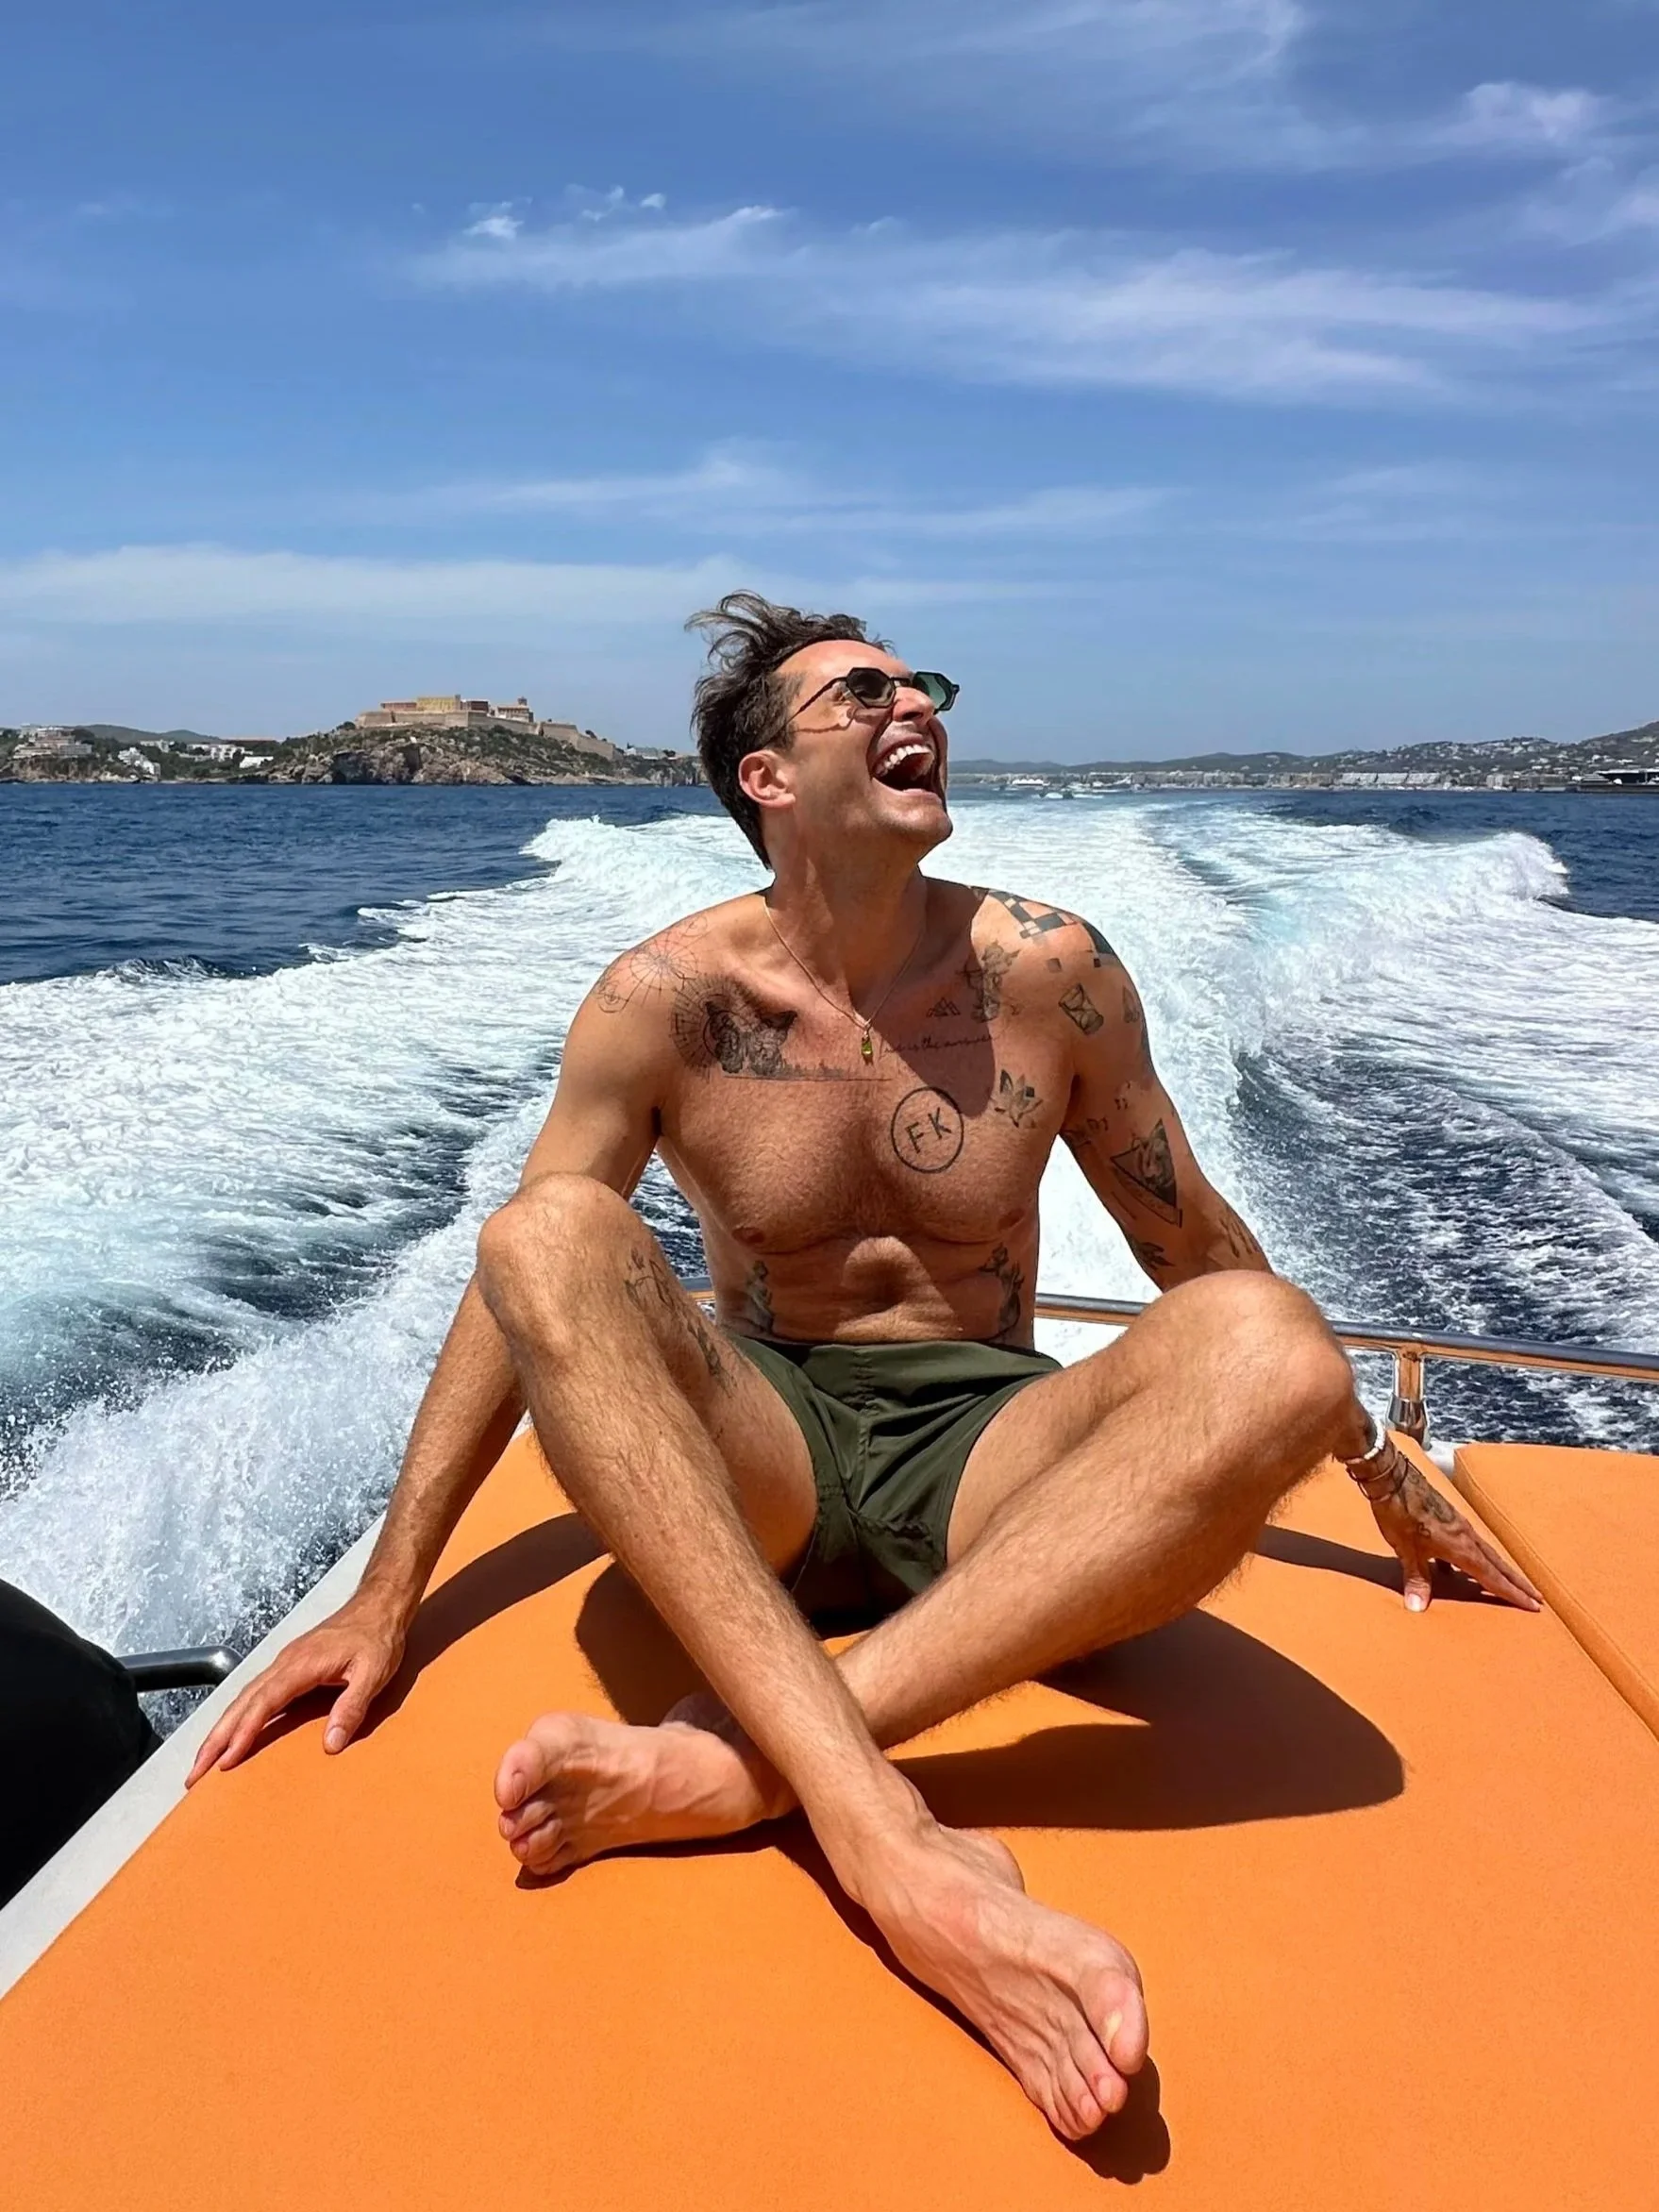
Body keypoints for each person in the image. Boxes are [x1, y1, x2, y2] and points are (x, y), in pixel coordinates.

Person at [189, 593, 1540, 2140]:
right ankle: (883, 1833)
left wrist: (1375, 1466)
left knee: (1279, 1345)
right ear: (765, 780)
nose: (918, 711)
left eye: (923, 687)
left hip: (991, 1460)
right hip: (760, 1454)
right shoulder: (664, 1004)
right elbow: (522, 1293)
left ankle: (744, 1767)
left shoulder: (1050, 976)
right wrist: (387, 1588)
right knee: (545, 1228)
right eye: (862, 695)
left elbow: (1190, 1241)